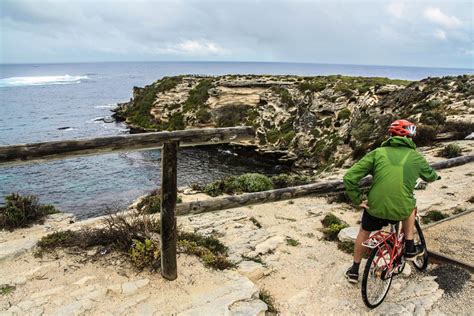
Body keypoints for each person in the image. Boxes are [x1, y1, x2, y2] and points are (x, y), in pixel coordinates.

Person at [342, 119, 439, 283]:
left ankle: (354, 270)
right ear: (410, 137)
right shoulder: (416, 157)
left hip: (374, 207)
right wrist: (436, 175)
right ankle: (409, 245)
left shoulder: (377, 153)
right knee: (410, 206)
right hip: (399, 210)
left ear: (391, 135)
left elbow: (349, 177)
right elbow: (430, 175)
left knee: (364, 233)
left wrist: (357, 198)